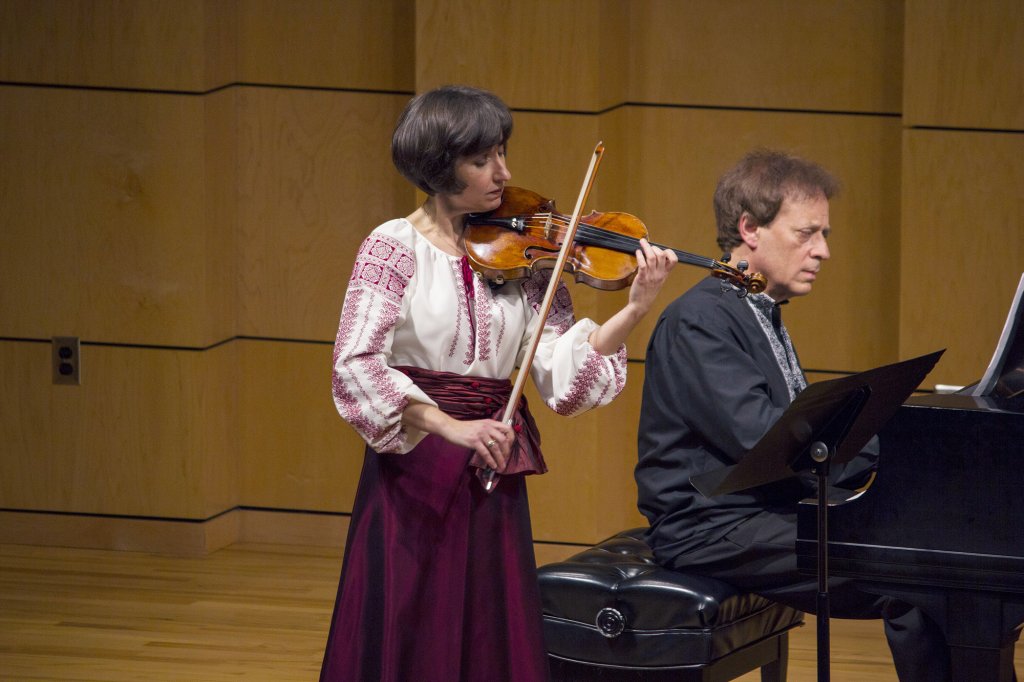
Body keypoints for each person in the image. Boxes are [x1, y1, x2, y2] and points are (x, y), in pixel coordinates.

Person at [323, 85, 676, 682]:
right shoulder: (392, 248)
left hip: (492, 464)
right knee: (413, 631)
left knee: (488, 634)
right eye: (482, 159)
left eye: (502, 154)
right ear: (439, 165)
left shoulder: (522, 256)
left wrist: (634, 309)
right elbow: (355, 364)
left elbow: (564, 373)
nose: (503, 173)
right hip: (415, 468)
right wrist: (448, 426)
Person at [636, 149, 953, 681]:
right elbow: (772, 442)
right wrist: (894, 450)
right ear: (750, 229)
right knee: (917, 577)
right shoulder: (700, 320)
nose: (823, 251)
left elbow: (803, 441)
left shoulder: (755, 310)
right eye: (808, 233)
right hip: (709, 526)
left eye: (824, 234)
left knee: (939, 564)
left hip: (765, 510)